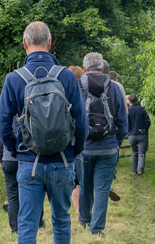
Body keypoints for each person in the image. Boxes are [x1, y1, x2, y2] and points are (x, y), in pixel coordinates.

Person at [0, 21, 88, 244]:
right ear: (50, 42)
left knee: (27, 223)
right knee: (61, 220)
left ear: (24, 44)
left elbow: (3, 125)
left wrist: (16, 149)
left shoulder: (14, 78)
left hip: (29, 162)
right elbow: (81, 121)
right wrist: (74, 150)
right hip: (62, 160)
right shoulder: (66, 76)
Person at [78, 52, 128, 236]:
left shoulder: (78, 87)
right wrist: (117, 141)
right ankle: (97, 229)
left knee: (84, 187)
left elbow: (70, 116)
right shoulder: (113, 88)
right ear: (102, 67)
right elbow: (123, 119)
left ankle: (84, 221)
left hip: (84, 148)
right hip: (108, 147)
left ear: (84, 69)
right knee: (102, 190)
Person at [0, 98, 45, 233]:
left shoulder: (6, 112)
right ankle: (38, 222)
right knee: (35, 191)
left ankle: (15, 228)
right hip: (29, 157)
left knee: (12, 195)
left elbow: (0, 137)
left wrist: (0, 156)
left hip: (9, 157)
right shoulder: (33, 109)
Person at [68, 66, 84, 214]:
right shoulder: (85, 90)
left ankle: (79, 211)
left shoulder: (64, 90)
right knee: (84, 180)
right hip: (86, 142)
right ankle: (85, 211)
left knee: (75, 183)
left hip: (68, 144)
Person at [127, 94, 151, 175]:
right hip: (142, 134)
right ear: (137, 100)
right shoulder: (142, 109)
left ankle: (134, 170)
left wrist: (128, 131)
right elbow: (148, 122)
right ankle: (140, 170)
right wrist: (145, 129)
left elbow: (126, 123)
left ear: (129, 101)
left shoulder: (128, 110)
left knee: (134, 153)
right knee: (141, 154)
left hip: (132, 135)